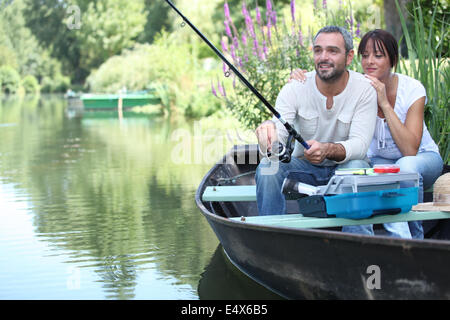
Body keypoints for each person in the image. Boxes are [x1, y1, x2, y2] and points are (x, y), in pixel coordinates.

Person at [289, 29, 444, 238]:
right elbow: (326, 83)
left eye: (378, 56)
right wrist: (301, 78)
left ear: (393, 60)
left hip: (421, 160)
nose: (370, 61)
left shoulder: (412, 89)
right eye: (365, 55)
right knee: (358, 170)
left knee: (404, 167)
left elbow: (410, 149)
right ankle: (363, 243)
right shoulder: (357, 88)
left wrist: (384, 103)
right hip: (378, 164)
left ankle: (415, 240)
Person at [255, 26, 378, 216]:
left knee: (357, 169)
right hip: (304, 171)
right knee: (268, 167)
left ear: (349, 56)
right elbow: (279, 131)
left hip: (347, 169)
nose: (323, 57)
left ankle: (358, 240)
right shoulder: (294, 88)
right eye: (318, 50)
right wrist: (268, 137)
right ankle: (272, 236)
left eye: (332, 51)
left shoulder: (364, 89)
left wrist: (327, 149)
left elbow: (360, 145)